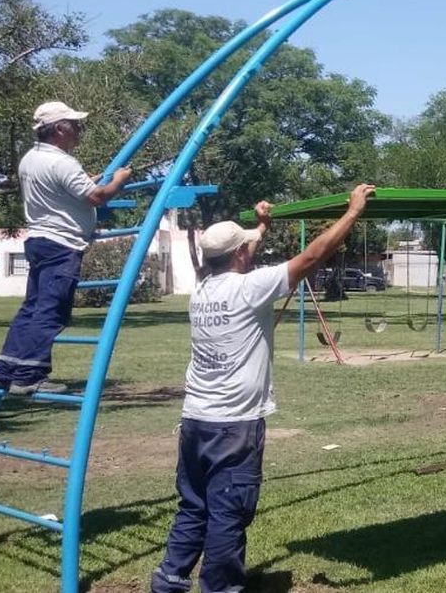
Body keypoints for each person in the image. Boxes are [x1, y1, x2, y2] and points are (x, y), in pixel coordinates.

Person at [151, 183, 375, 593]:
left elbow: (241, 251)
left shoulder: (201, 290)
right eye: (246, 246)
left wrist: (260, 227)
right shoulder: (249, 289)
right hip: (234, 427)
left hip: (195, 420)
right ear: (238, 254)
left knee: (194, 506)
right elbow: (311, 257)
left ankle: (170, 578)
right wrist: (352, 213)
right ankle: (220, 589)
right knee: (228, 513)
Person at [0, 102, 132, 395]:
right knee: (51, 310)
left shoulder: (31, 159)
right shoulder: (62, 162)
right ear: (58, 129)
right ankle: (29, 374)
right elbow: (96, 197)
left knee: (32, 307)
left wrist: (84, 182)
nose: (79, 130)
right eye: (75, 124)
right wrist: (118, 181)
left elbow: (59, 190)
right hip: (61, 244)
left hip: (39, 240)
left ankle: (5, 370)